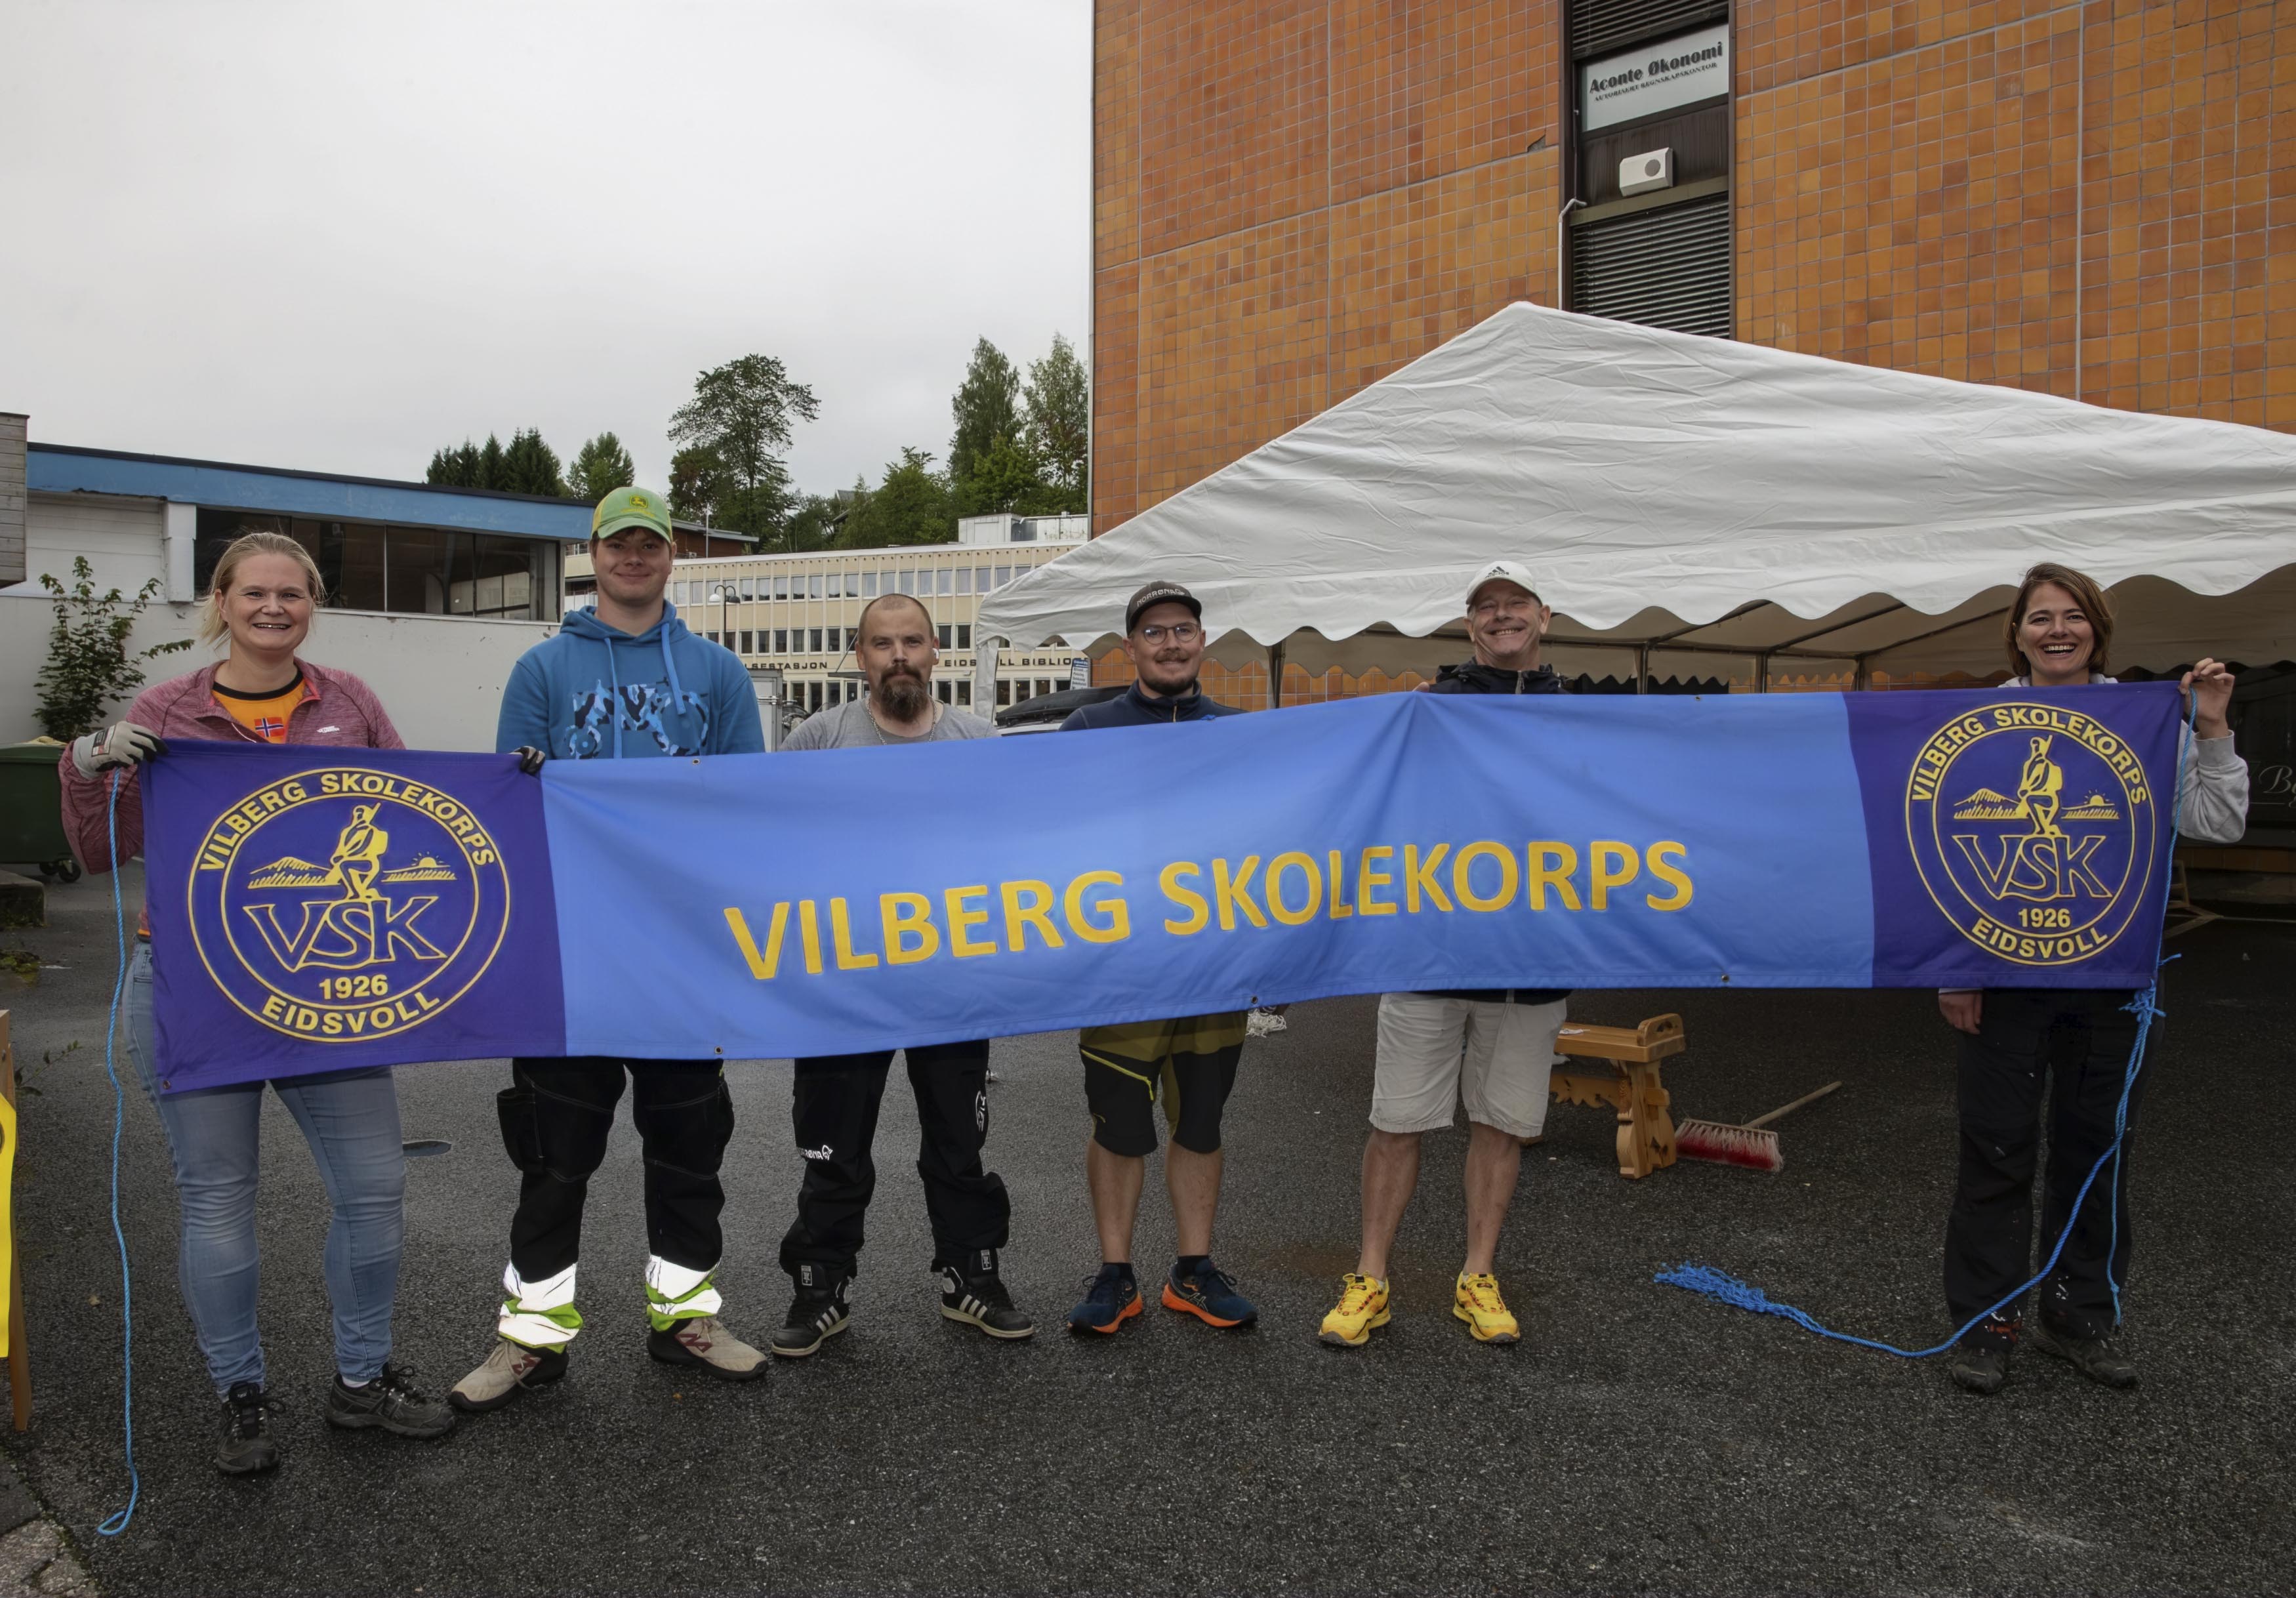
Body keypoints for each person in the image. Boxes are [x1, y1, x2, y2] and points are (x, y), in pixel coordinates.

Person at [57, 529, 453, 1475]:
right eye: (255, 593)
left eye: (293, 594)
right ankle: (238, 1391)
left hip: (332, 995)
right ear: (222, 602)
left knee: (374, 1188)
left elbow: (414, 803)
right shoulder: (169, 709)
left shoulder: (349, 701)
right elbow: (96, 853)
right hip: (200, 985)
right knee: (217, 1201)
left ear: (312, 604)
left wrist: (507, 791)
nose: (274, 608)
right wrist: (88, 761)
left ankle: (361, 1380)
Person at [451, 487, 768, 1412]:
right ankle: (532, 1339)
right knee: (555, 1158)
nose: (636, 557)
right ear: (594, 553)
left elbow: (746, 806)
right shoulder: (543, 670)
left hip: (679, 956)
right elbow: (512, 812)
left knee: (688, 1153)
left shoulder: (715, 673)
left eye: (652, 544)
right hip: (571, 957)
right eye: (620, 544)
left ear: (673, 557)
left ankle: (687, 1320)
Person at [1938, 562, 2247, 1395]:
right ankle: (1984, 1324)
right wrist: (1950, 973)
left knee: (2097, 1156)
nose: (2055, 631)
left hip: (2115, 985)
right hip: (2000, 981)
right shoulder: (1979, 721)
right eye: (2038, 617)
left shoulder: (2146, 719)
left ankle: (2078, 1320)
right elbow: (1932, 859)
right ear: (2016, 633)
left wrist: (2211, 729)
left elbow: (2215, 823)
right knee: (1995, 1155)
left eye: (2070, 616)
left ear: (2095, 630)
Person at [768, 592, 1034, 1355]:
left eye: (911, 641)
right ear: (860, 658)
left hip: (951, 982)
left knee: (958, 1146)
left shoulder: (979, 739)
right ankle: (820, 1285)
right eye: (881, 644)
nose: (898, 657)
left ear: (936, 651)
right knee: (832, 1148)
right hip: (843, 983)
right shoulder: (818, 739)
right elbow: (759, 833)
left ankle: (971, 1278)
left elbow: (1029, 836)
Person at [1319, 561, 1571, 1349]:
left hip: (1530, 960)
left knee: (1500, 1125)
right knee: (1396, 1122)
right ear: (1468, 626)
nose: (1502, 617)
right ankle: (1370, 1277)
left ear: (1543, 615)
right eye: (1485, 608)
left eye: (1515, 604)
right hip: (1427, 952)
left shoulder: (1580, 713)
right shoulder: (1430, 709)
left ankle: (1477, 1276)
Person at [1059, 581, 1258, 1334]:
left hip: (1213, 969)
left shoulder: (1242, 733)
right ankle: (1115, 1274)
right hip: (1120, 973)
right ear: (1129, 647)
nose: (1170, 643)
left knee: (1200, 1123)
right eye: (1153, 632)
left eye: (1183, 629)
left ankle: (1192, 1271)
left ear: (1202, 641)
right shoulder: (1088, 727)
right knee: (1118, 1125)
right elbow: (1051, 837)